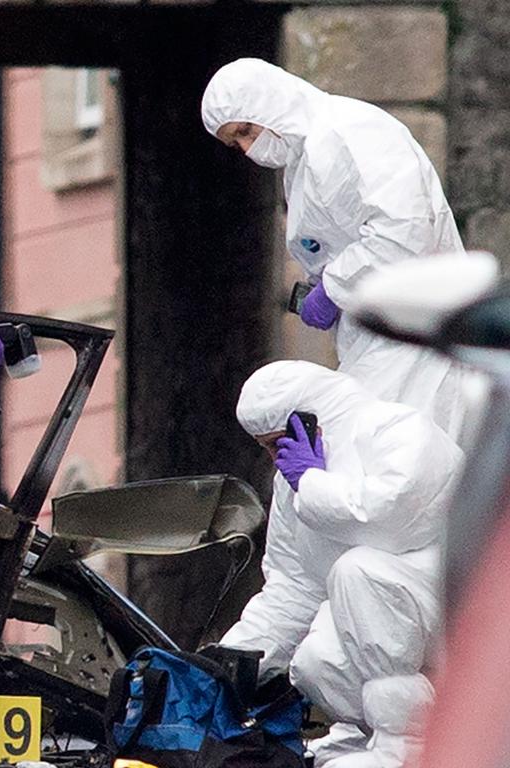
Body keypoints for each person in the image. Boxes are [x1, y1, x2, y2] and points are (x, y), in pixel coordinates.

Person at [201, 58, 464, 438]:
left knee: (396, 462)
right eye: (234, 143)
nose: (245, 148)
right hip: (377, 339)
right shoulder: (304, 161)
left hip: (418, 335)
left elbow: (404, 229)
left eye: (245, 130)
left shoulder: (352, 131)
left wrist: (333, 288)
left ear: (268, 102)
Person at [223, 361, 462, 767]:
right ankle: (365, 733)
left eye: (276, 442)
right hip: (385, 617)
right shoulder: (292, 484)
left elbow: (400, 520)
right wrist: (230, 662)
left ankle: (407, 745)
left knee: (359, 572)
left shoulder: (393, 427)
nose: (272, 456)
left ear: (311, 420)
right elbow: (293, 586)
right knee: (314, 661)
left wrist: (315, 486)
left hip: (458, 606)